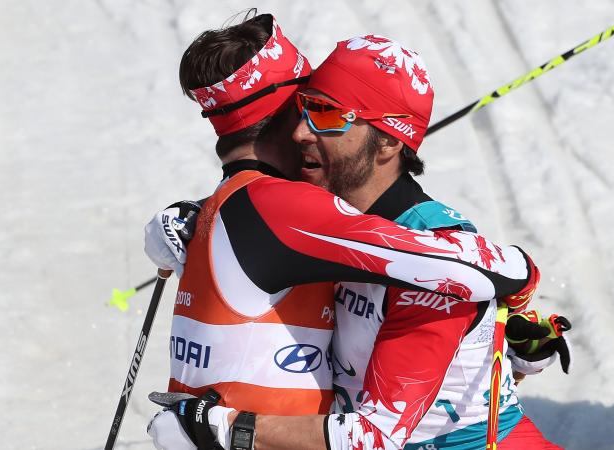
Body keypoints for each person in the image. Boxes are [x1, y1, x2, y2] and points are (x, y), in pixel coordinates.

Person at [143, 14, 549, 450]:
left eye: (326, 116)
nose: (300, 132)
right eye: (302, 109)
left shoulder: (431, 260)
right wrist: (202, 216)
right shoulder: (322, 225)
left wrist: (219, 427)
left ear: (389, 141)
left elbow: (375, 439)